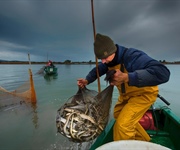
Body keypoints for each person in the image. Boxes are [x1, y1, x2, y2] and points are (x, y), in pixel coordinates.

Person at [77, 33, 170, 142]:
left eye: (105, 57)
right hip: (126, 96)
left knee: (123, 125)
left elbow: (163, 73)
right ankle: (145, 141)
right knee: (118, 114)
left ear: (112, 51)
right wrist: (87, 80)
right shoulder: (109, 61)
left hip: (143, 94)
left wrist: (128, 77)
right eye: (100, 58)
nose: (103, 61)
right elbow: (98, 70)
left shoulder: (133, 56)